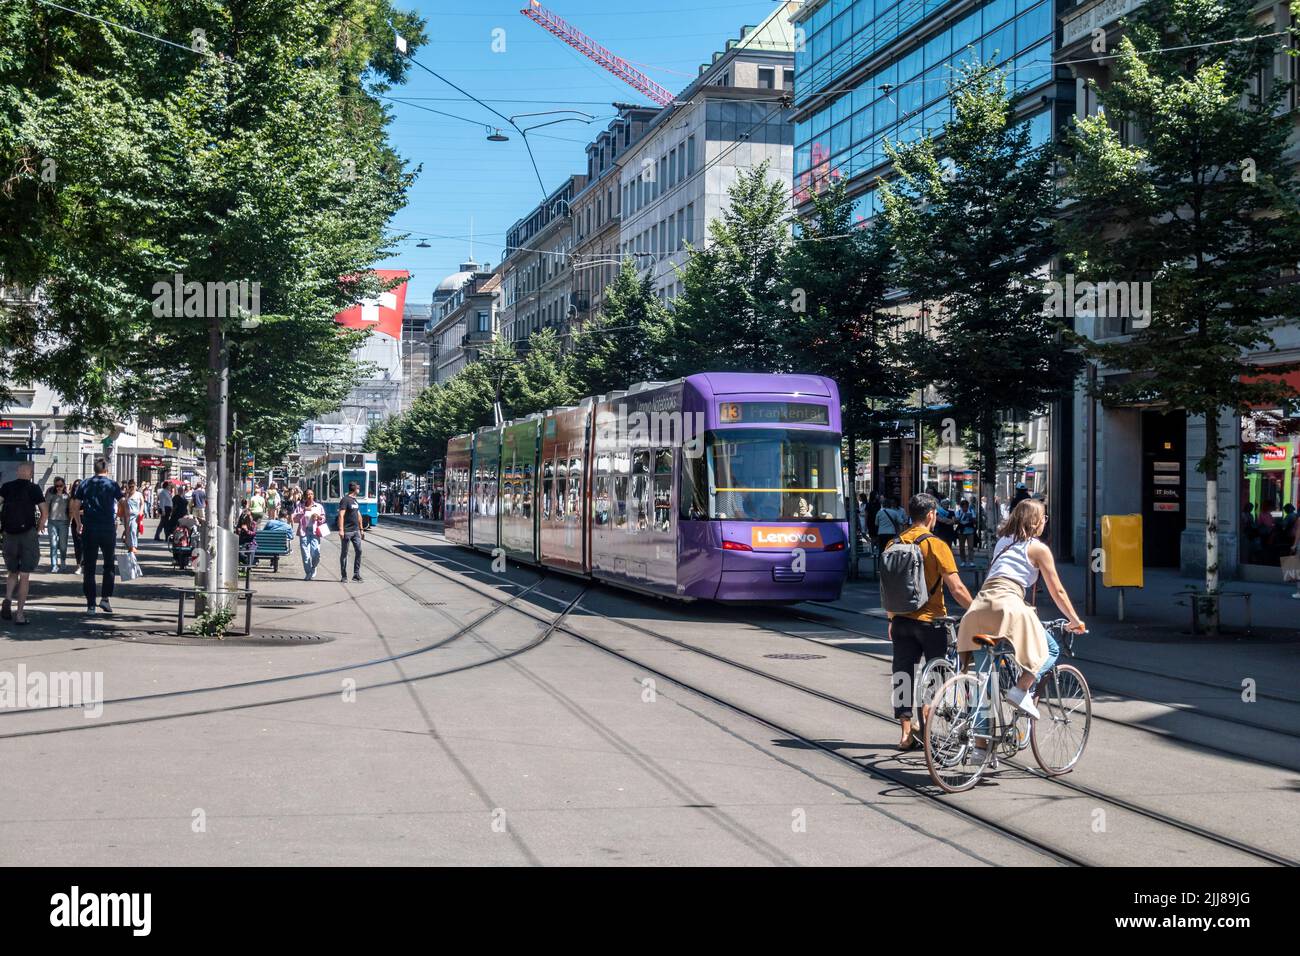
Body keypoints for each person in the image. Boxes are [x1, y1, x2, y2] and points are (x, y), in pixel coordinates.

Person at [957, 498, 1086, 741]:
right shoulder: (1038, 548)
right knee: (1050, 648)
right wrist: (1075, 620)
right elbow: (1057, 591)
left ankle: (980, 747)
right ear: (1036, 521)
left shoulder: (1002, 542)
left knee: (984, 679)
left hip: (979, 607)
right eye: (1044, 517)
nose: (1045, 521)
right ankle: (1021, 689)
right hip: (1008, 606)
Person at [884, 493, 973, 749]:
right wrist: (977, 608)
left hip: (900, 621)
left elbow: (889, 587)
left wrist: (892, 618)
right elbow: (955, 588)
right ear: (932, 514)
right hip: (932, 623)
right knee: (936, 675)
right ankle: (926, 726)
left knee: (902, 675)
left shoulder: (893, 544)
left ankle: (904, 734)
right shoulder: (937, 545)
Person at [70, 458, 124, 614]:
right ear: (106, 469)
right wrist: (124, 525)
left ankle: (91, 604)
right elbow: (123, 504)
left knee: (89, 567)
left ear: (94, 469)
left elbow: (75, 505)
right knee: (109, 565)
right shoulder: (112, 484)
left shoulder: (85, 483)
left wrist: (79, 522)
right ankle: (105, 598)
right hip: (107, 528)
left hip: (90, 528)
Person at [1, 463, 49, 626]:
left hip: (9, 533)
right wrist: (40, 526)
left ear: (17, 472)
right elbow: (44, 510)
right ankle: (20, 615)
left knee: (12, 571)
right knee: (25, 575)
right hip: (27, 534)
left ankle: (7, 598)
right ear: (30, 474)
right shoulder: (34, 488)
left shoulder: (6, 487)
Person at [294, 488, 326, 580]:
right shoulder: (301, 506)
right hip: (304, 531)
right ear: (305, 496)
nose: (310, 496)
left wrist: (319, 517)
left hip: (315, 531)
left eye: (311, 494)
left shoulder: (318, 506)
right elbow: (295, 518)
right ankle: (308, 572)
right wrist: (303, 511)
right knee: (305, 553)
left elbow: (323, 518)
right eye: (308, 494)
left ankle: (314, 567)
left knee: (316, 552)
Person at [338, 481, 365, 583]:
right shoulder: (345, 500)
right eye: (358, 488)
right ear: (354, 489)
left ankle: (356, 574)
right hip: (347, 531)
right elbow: (341, 515)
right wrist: (341, 530)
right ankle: (344, 575)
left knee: (359, 551)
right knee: (344, 553)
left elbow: (358, 515)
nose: (359, 489)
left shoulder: (355, 501)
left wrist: (361, 529)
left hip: (356, 531)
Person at [44, 477, 72, 573]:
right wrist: (43, 522)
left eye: (61, 485)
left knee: (63, 545)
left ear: (64, 485)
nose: (59, 488)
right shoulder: (51, 495)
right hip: (52, 522)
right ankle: (54, 565)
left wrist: (70, 521)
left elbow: (71, 510)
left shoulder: (67, 496)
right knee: (53, 544)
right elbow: (45, 508)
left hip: (64, 523)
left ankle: (63, 561)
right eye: (57, 486)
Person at [119, 479, 144, 554]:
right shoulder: (127, 494)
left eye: (133, 486)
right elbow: (124, 504)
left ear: (135, 486)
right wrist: (127, 494)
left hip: (136, 516)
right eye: (130, 486)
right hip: (127, 516)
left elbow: (142, 503)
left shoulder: (139, 494)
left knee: (133, 530)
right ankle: (129, 546)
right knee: (128, 531)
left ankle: (133, 546)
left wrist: (141, 511)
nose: (132, 488)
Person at [955, 498, 977, 567]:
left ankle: (971, 561)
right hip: (961, 531)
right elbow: (956, 521)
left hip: (970, 530)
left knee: (970, 546)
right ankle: (963, 560)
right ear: (961, 507)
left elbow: (975, 520)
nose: (965, 508)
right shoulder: (958, 512)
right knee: (962, 547)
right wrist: (962, 514)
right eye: (963, 507)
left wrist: (970, 517)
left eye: (966, 507)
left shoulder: (971, 511)